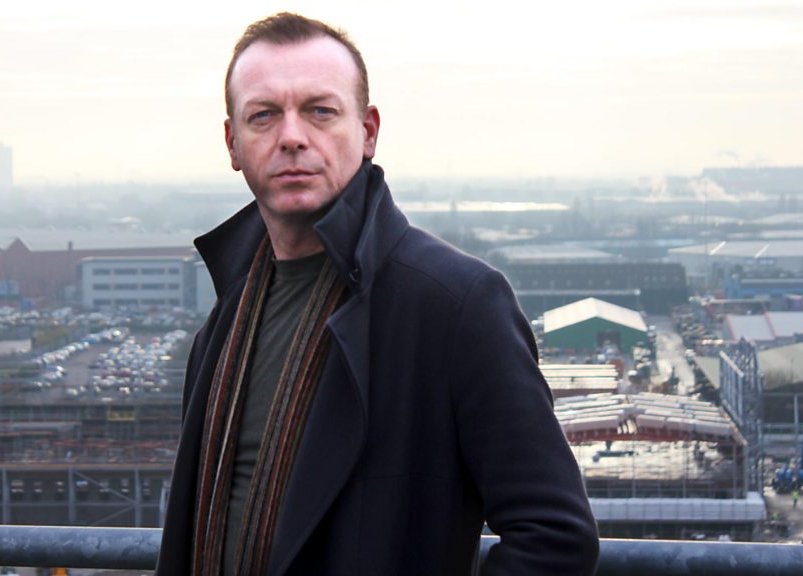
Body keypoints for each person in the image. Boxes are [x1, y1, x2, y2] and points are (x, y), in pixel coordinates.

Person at [155, 12, 599, 576]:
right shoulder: (226, 322)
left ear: (367, 131)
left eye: (320, 110)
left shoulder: (454, 305)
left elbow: (555, 538)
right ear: (232, 143)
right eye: (263, 115)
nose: (291, 136)